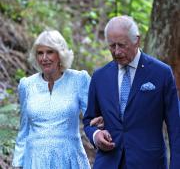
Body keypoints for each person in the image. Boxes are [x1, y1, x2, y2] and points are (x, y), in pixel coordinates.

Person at [83, 15, 180, 169]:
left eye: (122, 45)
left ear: (137, 40)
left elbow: (176, 127)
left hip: (149, 163)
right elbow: (89, 120)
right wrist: (96, 135)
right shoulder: (100, 76)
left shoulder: (161, 73)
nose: (116, 51)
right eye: (112, 46)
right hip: (108, 162)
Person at [12, 30, 100, 169]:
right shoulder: (26, 85)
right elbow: (24, 129)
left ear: (60, 54)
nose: (44, 58)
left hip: (69, 159)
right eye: (40, 53)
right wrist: (17, 163)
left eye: (50, 52)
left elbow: (94, 118)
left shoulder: (79, 79)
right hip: (35, 161)